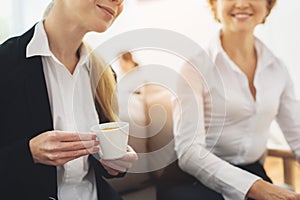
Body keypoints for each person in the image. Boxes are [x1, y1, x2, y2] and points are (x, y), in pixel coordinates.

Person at [158, 0, 300, 199]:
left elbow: (297, 135)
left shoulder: (278, 69)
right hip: (191, 182)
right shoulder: (193, 67)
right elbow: (189, 153)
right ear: (214, 5)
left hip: (252, 172)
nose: (242, 3)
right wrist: (257, 187)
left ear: (268, 5)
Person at [0, 0, 138, 199]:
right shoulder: (5, 65)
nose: (119, 1)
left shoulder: (104, 74)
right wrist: (29, 153)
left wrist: (114, 163)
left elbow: (98, 163)